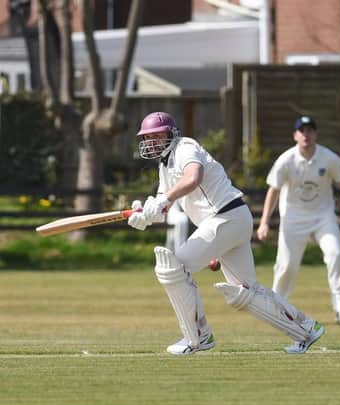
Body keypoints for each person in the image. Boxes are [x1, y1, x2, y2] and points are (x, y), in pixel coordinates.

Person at [127, 112, 325, 355]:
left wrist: (164, 200)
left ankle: (198, 337)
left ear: (171, 134)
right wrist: (144, 215)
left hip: (224, 217)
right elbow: (162, 204)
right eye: (149, 137)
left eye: (158, 136)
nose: (153, 142)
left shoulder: (185, 147)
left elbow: (192, 178)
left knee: (173, 266)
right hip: (233, 220)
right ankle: (307, 329)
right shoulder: (165, 165)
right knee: (244, 292)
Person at [257, 115, 340, 326]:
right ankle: (277, 310)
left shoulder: (327, 157)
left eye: (310, 130)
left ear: (316, 134)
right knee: (286, 265)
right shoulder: (286, 159)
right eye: (302, 131)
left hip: (323, 216)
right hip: (293, 217)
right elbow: (273, 190)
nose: (306, 134)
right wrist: (264, 222)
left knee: (336, 256)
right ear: (295, 135)